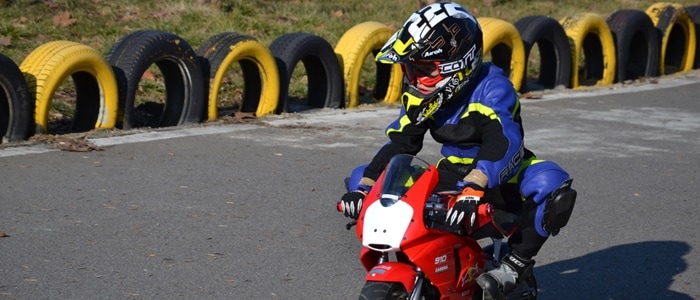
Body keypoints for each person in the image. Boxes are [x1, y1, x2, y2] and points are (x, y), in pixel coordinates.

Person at [338, 2, 577, 299]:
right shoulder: (424, 94)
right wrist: (364, 188)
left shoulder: (493, 88)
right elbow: (401, 144)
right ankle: (425, 264)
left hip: (499, 176)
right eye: (410, 70)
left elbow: (503, 142)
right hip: (452, 173)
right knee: (363, 176)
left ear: (458, 63)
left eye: (424, 69)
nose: (415, 80)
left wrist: (476, 185)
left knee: (551, 182)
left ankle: (515, 266)